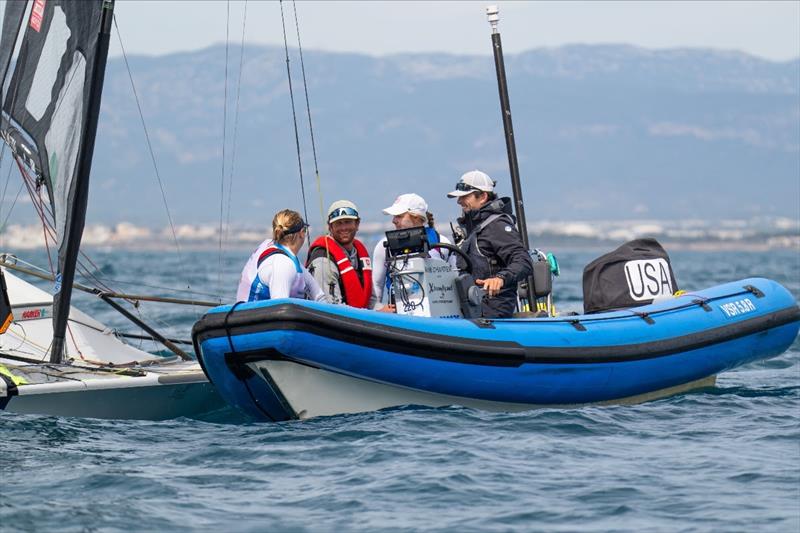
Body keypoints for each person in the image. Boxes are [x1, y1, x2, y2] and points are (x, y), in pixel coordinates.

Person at [447, 170, 533, 318]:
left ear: (482, 197)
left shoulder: (496, 225)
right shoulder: (472, 228)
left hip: (493, 313)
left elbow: (523, 261)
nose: (459, 201)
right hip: (470, 310)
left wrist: (500, 278)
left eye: (464, 196)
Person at [372, 193, 457, 306]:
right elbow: (376, 285)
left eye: (399, 216)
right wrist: (378, 309)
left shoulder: (442, 243)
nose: (393, 220)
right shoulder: (384, 246)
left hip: (437, 314)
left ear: (416, 217)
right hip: (399, 316)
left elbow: (456, 280)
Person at [236, 209, 326, 303]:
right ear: (301, 233)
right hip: (254, 316)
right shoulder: (282, 264)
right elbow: (279, 309)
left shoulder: (284, 254)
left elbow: (319, 297)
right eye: (305, 231)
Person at [306, 200, 378, 309]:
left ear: (357, 224)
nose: (344, 228)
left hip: (359, 316)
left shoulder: (359, 254)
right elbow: (331, 309)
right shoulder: (323, 259)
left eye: (348, 222)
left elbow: (371, 302)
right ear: (330, 227)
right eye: (338, 223)